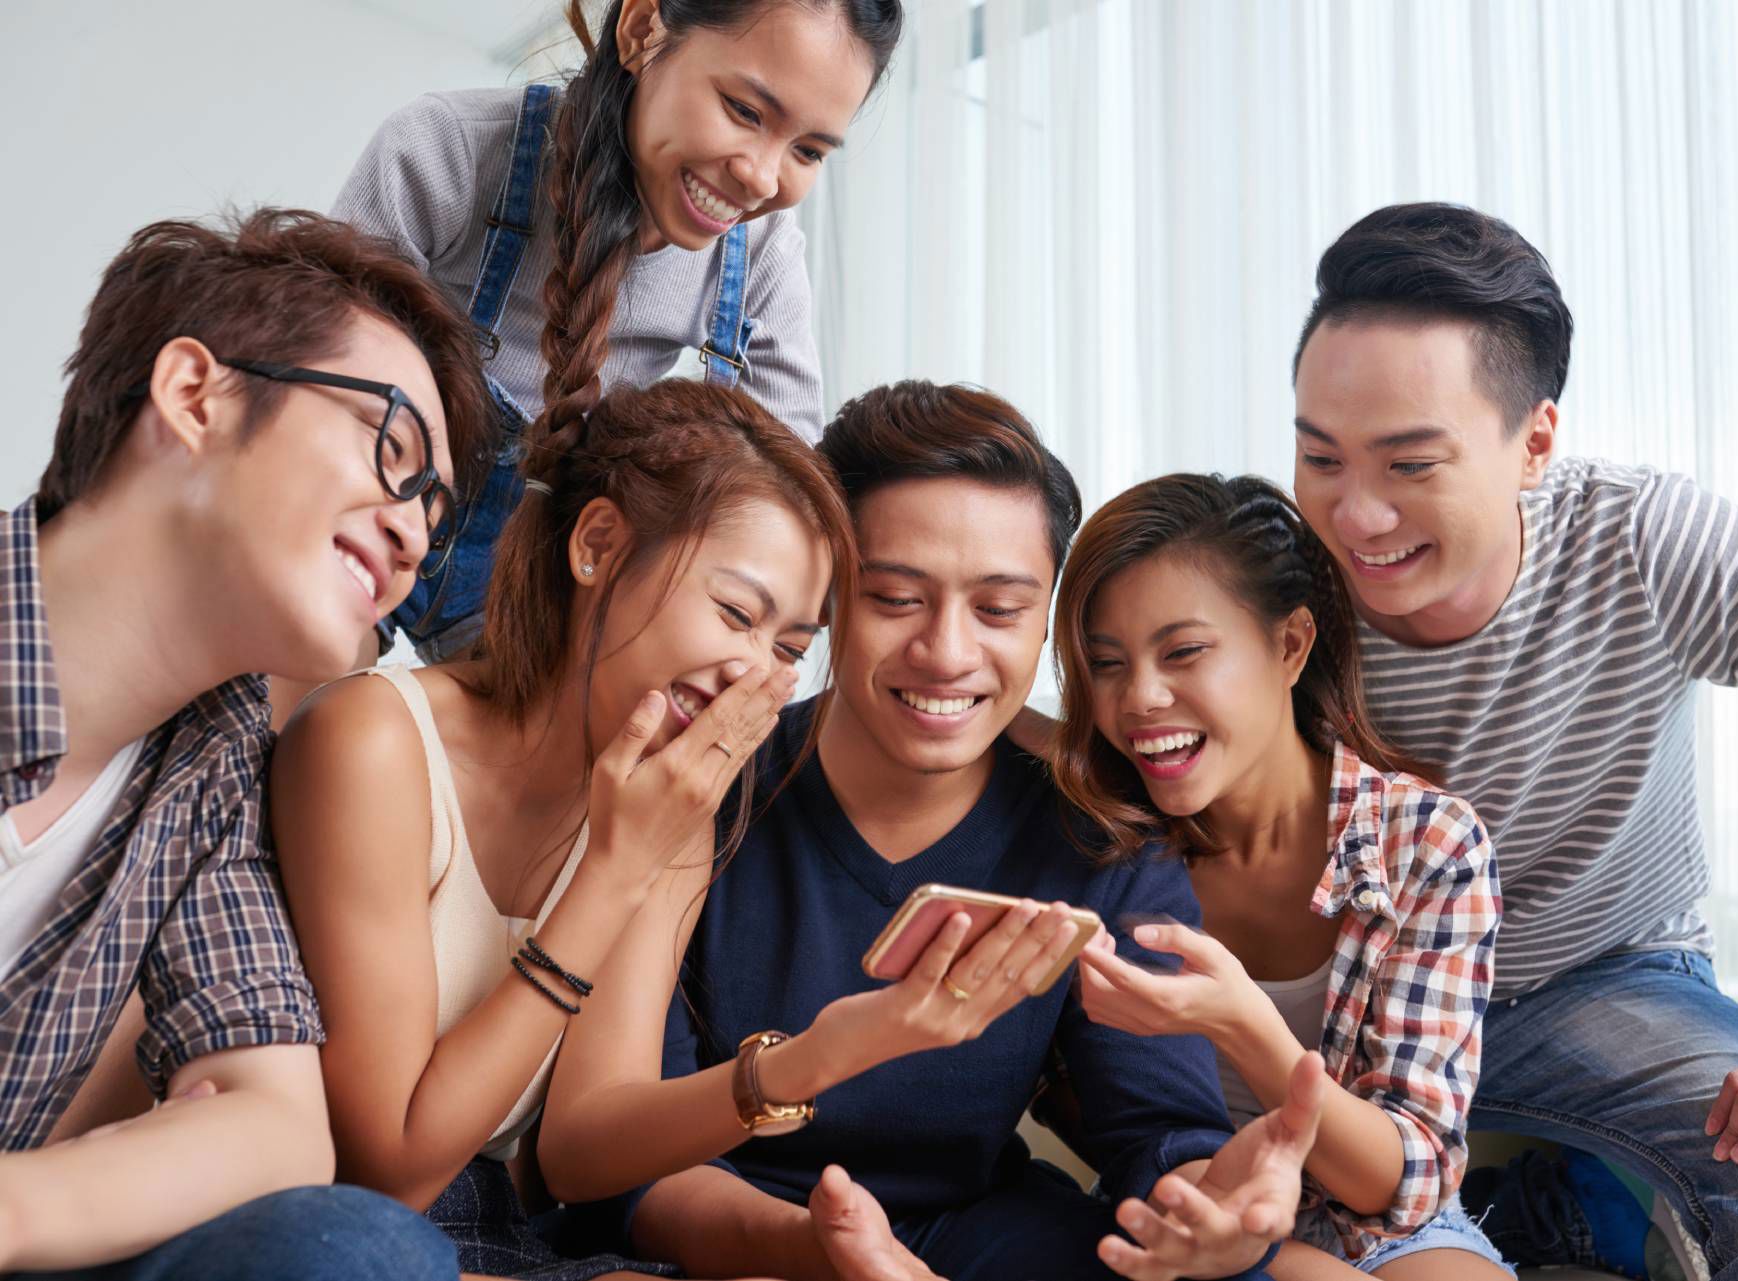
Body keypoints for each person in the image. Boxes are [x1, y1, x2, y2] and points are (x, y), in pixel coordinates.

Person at [535, 382, 1327, 1281]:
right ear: (831, 597)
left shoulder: (1098, 841)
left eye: (998, 610)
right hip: (725, 1241)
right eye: (898, 598)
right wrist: (824, 1251)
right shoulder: (702, 789)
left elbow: (1160, 1135)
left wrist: (1215, 1205)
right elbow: (632, 1171)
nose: (948, 652)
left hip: (978, 1232)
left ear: (1047, 623)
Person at [1287, 201, 1738, 1277]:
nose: (1357, 517)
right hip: (1360, 1006)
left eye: (1410, 465)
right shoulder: (1274, 580)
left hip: (1597, 977)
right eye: (1321, 458)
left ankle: (1561, 1204)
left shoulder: (1646, 542)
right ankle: (1553, 1211)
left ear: (1534, 443)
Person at [269, 377, 855, 1278]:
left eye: (786, 650)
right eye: (737, 612)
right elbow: (386, 1173)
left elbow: (575, 1152)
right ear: (598, 545)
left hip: (511, 1230)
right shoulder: (372, 741)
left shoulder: (671, 807)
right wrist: (613, 872)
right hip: (334, 1229)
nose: (752, 672)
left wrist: (804, 1064)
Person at [0, 207, 489, 1279]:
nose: (413, 533)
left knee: (359, 1249)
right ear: (195, 395)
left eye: (436, 514)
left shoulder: (211, 768)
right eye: (391, 450)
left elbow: (281, 1130)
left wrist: (16, 1211)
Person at [332, 0, 902, 663]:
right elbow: (322, 399)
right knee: (303, 716)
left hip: (533, 570)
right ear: (640, 30)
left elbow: (791, 483)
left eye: (807, 149)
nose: (761, 176)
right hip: (367, 500)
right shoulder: (449, 150)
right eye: (745, 111)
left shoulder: (761, 257)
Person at [1049, 471, 1510, 1279]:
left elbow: (1401, 1180)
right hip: (1193, 1206)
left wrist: (1243, 1024)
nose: (1140, 698)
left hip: (1379, 1221)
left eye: (1184, 651)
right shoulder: (1107, 848)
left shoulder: (1425, 842)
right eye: (1107, 663)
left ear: (1290, 644)